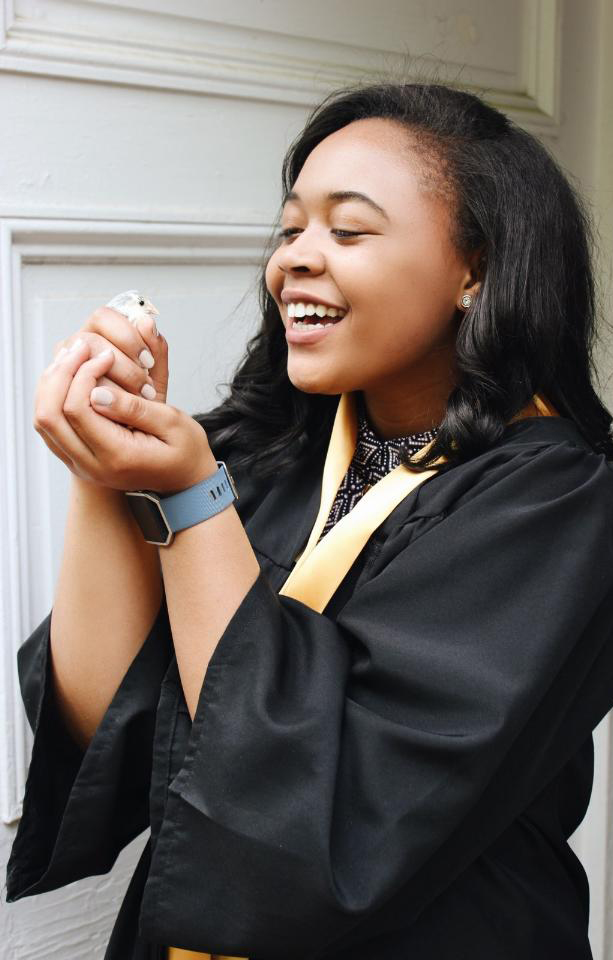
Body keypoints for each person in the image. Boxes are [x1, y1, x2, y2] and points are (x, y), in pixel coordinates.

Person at [5, 79, 613, 960]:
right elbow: (115, 730)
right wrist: (105, 470)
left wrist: (187, 496)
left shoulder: (558, 501)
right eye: (290, 228)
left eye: (349, 229)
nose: (294, 257)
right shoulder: (262, 451)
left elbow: (317, 819)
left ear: (474, 270)